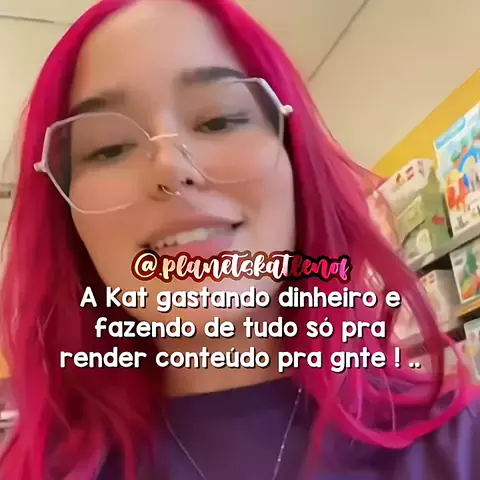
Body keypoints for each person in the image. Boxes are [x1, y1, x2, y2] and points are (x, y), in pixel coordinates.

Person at [0, 0, 479, 478]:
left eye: (219, 121)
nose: (171, 169)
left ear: (296, 158)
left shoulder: (461, 442)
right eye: (109, 148)